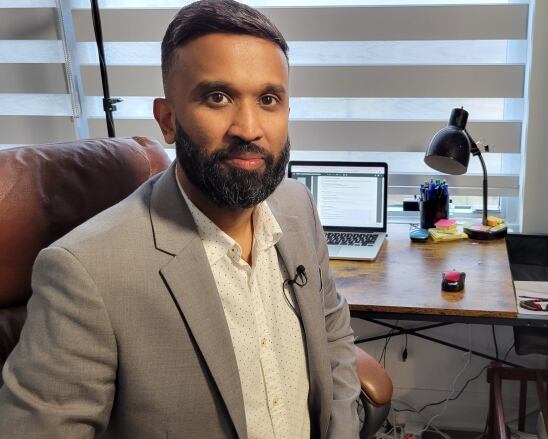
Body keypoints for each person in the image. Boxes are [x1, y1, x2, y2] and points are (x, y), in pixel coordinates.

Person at [0, 1, 360, 437]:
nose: (248, 127)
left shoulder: (298, 205)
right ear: (167, 120)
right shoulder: (84, 272)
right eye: (217, 97)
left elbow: (333, 335)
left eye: (268, 99)